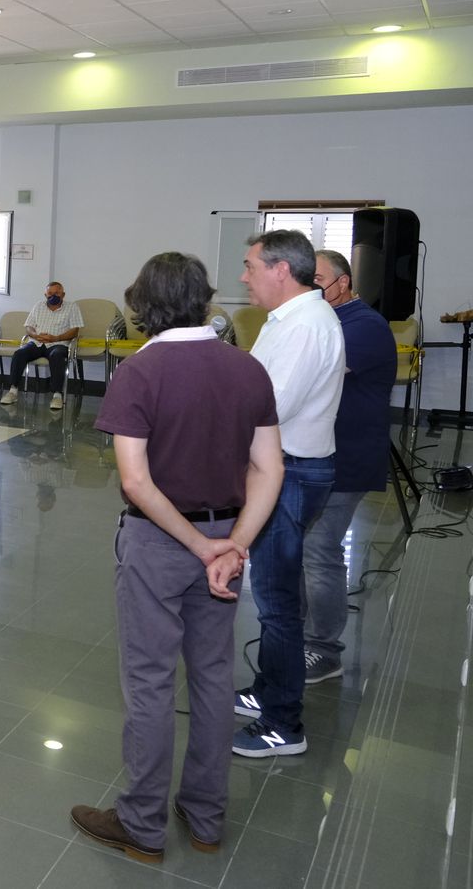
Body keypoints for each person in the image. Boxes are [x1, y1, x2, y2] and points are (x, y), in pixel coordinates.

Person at [69, 252, 283, 865]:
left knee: (150, 680)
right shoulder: (248, 369)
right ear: (203, 299)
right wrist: (233, 544)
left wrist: (198, 545)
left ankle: (140, 823)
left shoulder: (139, 373)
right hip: (226, 541)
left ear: (143, 306)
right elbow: (270, 467)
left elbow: (136, 482)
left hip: (161, 543)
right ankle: (206, 815)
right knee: (214, 676)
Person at [231, 230, 345, 758]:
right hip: (286, 466)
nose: (243, 276)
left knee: (276, 606)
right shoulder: (287, 322)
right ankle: (267, 691)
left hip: (292, 471)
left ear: (281, 270)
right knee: (280, 595)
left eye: (250, 266)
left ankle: (283, 724)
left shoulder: (305, 328)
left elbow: (269, 407)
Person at [301, 249, 395, 687]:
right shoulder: (323, 319)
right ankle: (298, 636)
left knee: (320, 549)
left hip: (348, 457)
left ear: (344, 282)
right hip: (317, 454)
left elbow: (316, 373)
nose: (312, 286)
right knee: (303, 546)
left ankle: (324, 650)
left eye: (318, 278)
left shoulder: (365, 326)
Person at [0, 281, 84, 411]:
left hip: (58, 343)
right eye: (50, 293)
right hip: (37, 342)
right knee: (19, 353)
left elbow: (75, 331)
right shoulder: (39, 305)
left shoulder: (72, 307)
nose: (53, 296)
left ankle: (57, 395)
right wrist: (35, 335)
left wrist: (56, 338)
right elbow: (29, 326)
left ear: (63, 294)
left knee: (56, 356)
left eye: (57, 293)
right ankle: (13, 391)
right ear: (45, 295)